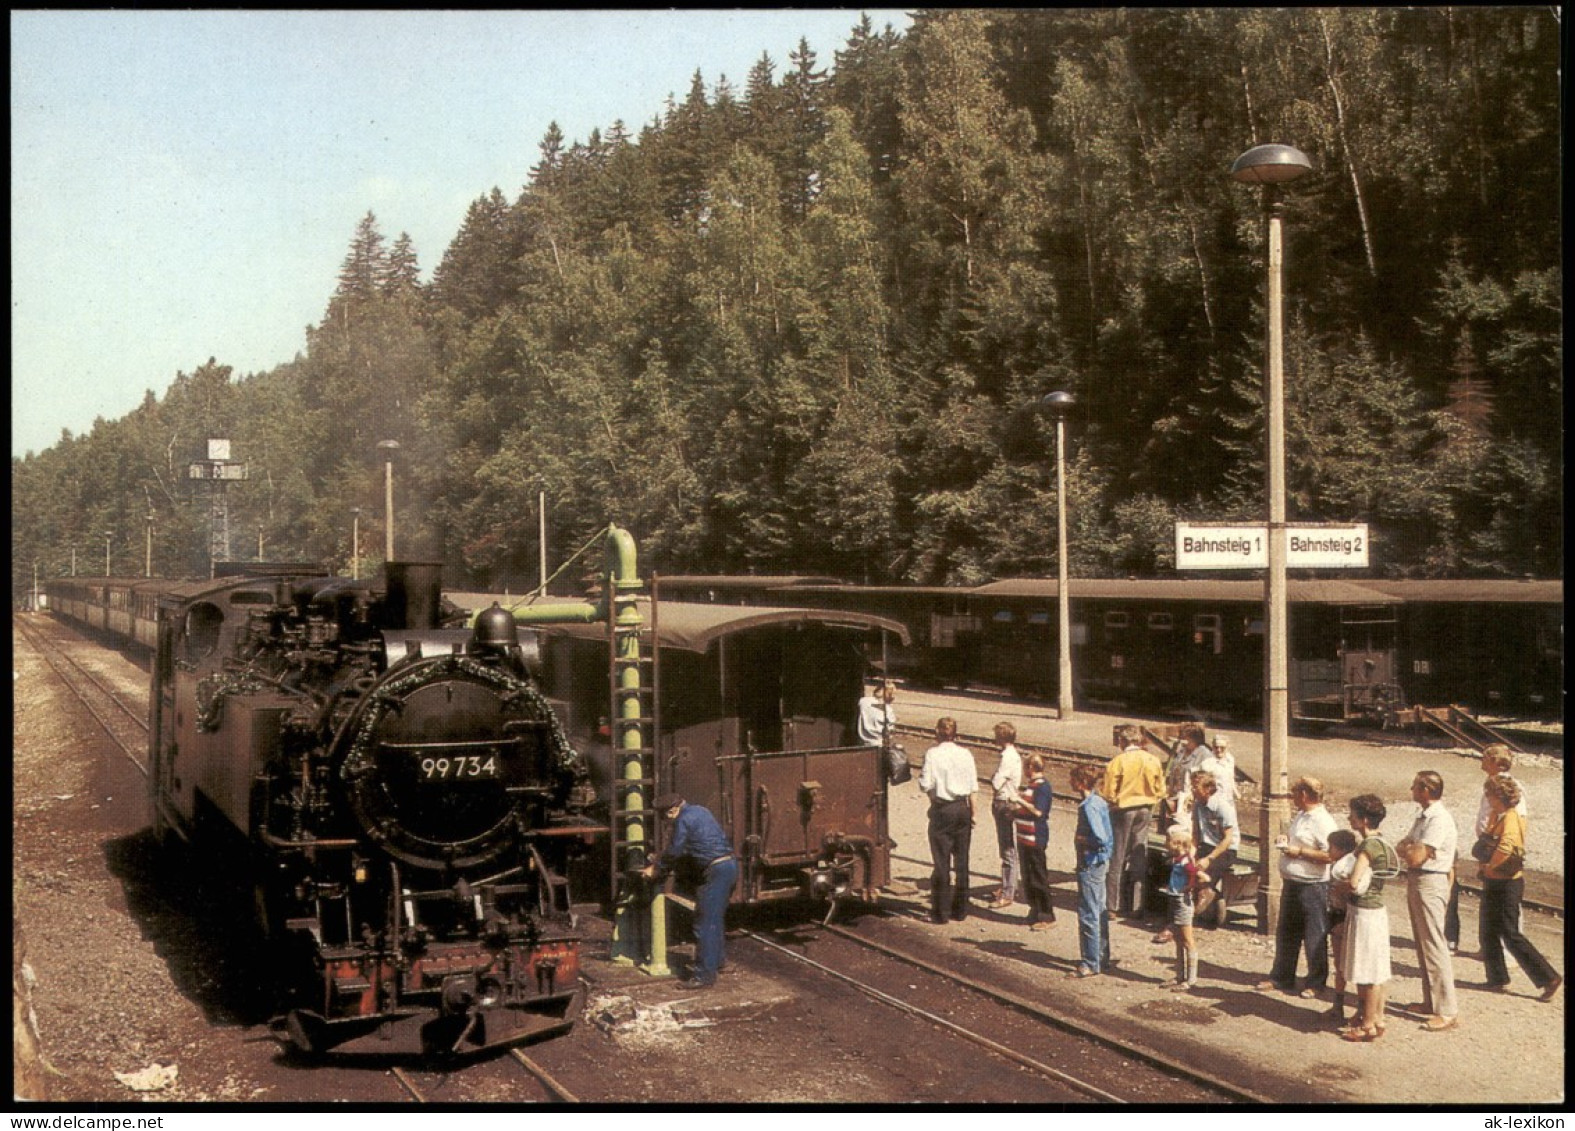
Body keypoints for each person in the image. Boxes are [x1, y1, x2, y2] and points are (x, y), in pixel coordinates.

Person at [1476, 775, 1561, 1001]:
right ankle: (1496, 977)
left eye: (1489, 794)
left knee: (1510, 932)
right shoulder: (1501, 815)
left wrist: (1488, 866)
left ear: (1498, 796)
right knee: (1488, 930)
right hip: (1498, 880)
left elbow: (1505, 846)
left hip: (1506, 881)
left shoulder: (1511, 817)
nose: (1487, 797)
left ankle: (1549, 977)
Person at [641, 793, 738, 989]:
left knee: (703, 923)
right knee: (714, 918)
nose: (666, 822)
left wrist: (656, 867)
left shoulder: (682, 819)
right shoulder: (701, 810)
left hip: (715, 871)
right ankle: (717, 962)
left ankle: (703, 977)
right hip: (729, 866)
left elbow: (676, 850)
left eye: (665, 818)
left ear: (672, 810)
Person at [1257, 776, 1337, 998]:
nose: (1292, 798)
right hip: (1292, 882)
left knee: (1315, 934)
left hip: (1313, 886)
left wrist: (1300, 852)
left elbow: (1330, 855)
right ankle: (1282, 976)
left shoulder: (1324, 822)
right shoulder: (1301, 816)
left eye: (1294, 794)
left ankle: (1316, 982)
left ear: (1304, 795)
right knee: (1287, 932)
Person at [1396, 770, 1460, 1032]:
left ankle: (1447, 1010)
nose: (1411, 789)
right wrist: (1411, 849)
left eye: (1414, 786)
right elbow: (1403, 845)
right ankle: (1430, 1001)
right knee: (1422, 944)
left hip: (1431, 880)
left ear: (1425, 790)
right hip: (1418, 880)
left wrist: (1412, 849)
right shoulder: (1423, 816)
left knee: (1434, 944)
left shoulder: (1438, 819)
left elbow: (1412, 856)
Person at [1446, 743, 1525, 952]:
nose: (1481, 761)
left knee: (1506, 903)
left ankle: (1506, 949)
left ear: (1496, 762)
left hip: (1499, 849)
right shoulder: (1492, 783)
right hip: (1489, 847)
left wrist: (1496, 853)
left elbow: (1517, 821)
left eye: (1485, 758)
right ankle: (1490, 948)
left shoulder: (1508, 788)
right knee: (1491, 900)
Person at [1341, 794, 1398, 1042]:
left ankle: (1367, 1025)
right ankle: (1377, 1017)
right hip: (1377, 911)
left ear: (1363, 819)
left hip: (1363, 912)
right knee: (1377, 967)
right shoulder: (1384, 844)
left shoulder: (1367, 847)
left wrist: (1339, 885)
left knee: (1366, 969)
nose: (1348, 818)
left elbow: (1354, 882)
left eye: (1352, 814)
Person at [1102, 723, 1164, 937]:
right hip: (1146, 809)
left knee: (1117, 856)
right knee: (1139, 854)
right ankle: (1137, 906)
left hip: (1122, 810)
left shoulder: (1117, 762)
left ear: (1123, 741)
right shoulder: (1152, 760)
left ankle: (1113, 905)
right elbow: (1161, 789)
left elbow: (1108, 792)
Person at [918, 717, 978, 924]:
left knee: (941, 861)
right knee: (962, 860)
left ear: (937, 733)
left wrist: (935, 800)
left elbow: (926, 784)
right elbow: (973, 787)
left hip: (943, 809)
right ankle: (960, 909)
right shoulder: (966, 754)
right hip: (963, 808)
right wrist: (973, 814)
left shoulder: (932, 754)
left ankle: (940, 912)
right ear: (955, 734)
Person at [1069, 763, 1113, 979]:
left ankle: (1090, 962)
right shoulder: (1098, 801)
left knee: (1088, 913)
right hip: (1100, 863)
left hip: (1090, 863)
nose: (1069, 782)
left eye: (1072, 778)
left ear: (1081, 782)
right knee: (1099, 910)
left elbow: (1101, 838)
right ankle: (1102, 956)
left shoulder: (1088, 806)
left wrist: (1081, 839)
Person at [1189, 769, 1239, 924]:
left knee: (1202, 875)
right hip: (1206, 846)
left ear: (1208, 789)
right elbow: (1196, 834)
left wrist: (1208, 859)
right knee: (1184, 868)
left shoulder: (1221, 806)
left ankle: (1184, 921)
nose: (1192, 790)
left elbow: (1228, 839)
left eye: (1195, 787)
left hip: (1224, 850)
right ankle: (1200, 904)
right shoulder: (1198, 805)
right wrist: (1191, 854)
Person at [1013, 753, 1055, 931]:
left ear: (1031, 768)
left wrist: (1019, 800)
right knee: (1028, 877)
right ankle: (1035, 909)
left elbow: (1039, 812)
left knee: (1038, 877)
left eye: (1025, 767)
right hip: (1024, 838)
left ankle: (1047, 914)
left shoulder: (1043, 787)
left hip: (1035, 838)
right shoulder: (1032, 786)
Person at [988, 722, 1025, 909]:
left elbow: (996, 782)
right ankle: (1007, 885)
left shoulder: (1008, 758)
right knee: (1006, 847)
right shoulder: (1011, 755)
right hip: (1007, 802)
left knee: (1007, 848)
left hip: (1004, 803)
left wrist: (993, 778)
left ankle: (1008, 891)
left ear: (1002, 737)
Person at [1325, 829, 1359, 1026]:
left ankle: (1343, 1006)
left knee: (1342, 964)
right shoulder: (1341, 863)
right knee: (1340, 965)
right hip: (1338, 915)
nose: (1329, 851)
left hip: (1343, 916)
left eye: (1332, 847)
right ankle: (1338, 1005)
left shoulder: (1344, 867)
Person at [1162, 824, 1201, 992]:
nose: (1166, 844)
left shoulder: (1186, 861)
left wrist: (1189, 886)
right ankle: (1180, 975)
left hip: (1182, 902)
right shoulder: (1177, 859)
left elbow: (1194, 873)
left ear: (1177, 844)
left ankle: (1191, 979)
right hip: (1174, 898)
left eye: (1169, 841)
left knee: (1187, 940)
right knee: (1178, 940)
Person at [857, 680, 898, 747]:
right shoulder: (888, 710)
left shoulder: (863, 701)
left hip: (863, 743)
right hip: (879, 745)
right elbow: (890, 733)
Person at [1199, 733, 1237, 804]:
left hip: (1229, 799)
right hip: (1214, 800)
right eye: (1216, 747)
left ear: (1227, 747)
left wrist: (1236, 792)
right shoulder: (1206, 763)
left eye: (1222, 748)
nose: (1219, 750)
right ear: (1212, 747)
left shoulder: (1230, 759)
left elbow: (1231, 778)